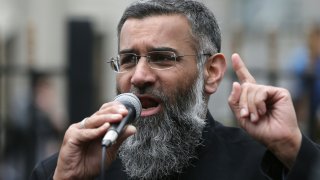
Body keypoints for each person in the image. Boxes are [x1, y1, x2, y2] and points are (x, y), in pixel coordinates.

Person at [30, 0, 320, 179]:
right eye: (128, 60)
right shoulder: (71, 168)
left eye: (162, 58)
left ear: (211, 73)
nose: (139, 76)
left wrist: (293, 149)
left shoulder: (263, 166)